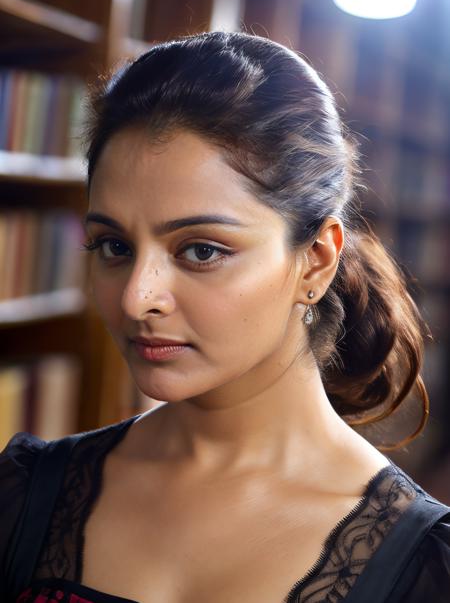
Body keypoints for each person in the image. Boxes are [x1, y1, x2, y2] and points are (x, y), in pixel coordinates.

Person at [1, 30, 449, 603]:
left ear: (316, 261)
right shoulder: (22, 495)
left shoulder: (424, 570)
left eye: (202, 250)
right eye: (114, 247)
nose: (138, 299)